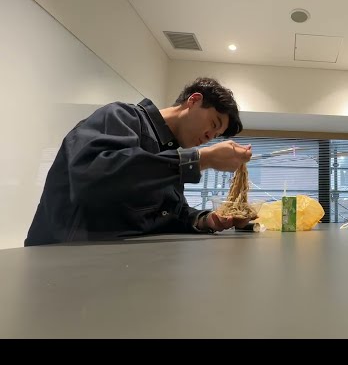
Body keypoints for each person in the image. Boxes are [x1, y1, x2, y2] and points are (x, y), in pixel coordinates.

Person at [25, 77, 253, 246]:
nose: (209, 137)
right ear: (193, 101)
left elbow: (170, 213)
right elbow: (94, 177)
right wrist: (201, 159)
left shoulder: (168, 151)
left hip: (119, 266)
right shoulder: (121, 117)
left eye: (215, 136)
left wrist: (207, 220)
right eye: (213, 124)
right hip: (65, 260)